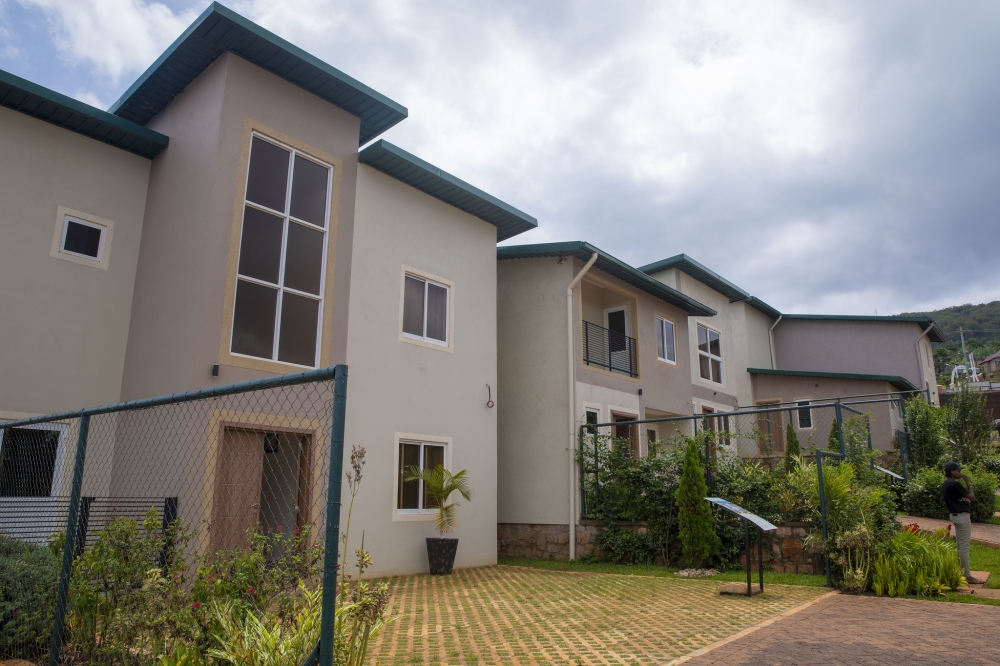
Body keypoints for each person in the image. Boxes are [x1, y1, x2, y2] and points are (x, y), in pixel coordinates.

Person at [942, 461, 984, 584]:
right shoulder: (955, 484)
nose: (960, 473)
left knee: (960, 546)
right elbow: (972, 497)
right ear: (952, 472)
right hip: (962, 517)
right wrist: (968, 483)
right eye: (958, 471)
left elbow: (956, 499)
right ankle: (967, 576)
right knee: (964, 547)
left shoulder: (946, 484)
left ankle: (961, 571)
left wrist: (962, 499)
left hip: (954, 516)